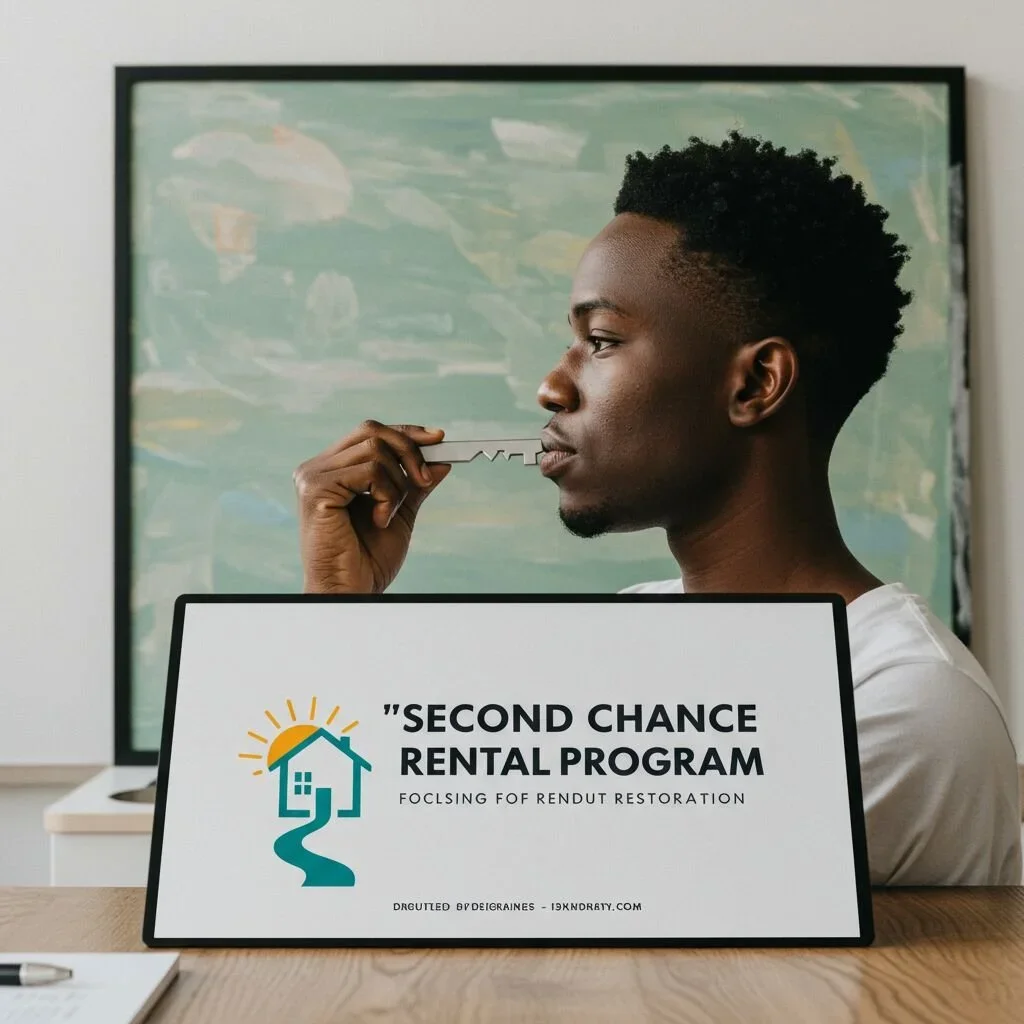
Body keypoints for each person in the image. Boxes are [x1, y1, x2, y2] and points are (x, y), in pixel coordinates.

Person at [293, 131, 1021, 886]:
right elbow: (375, 863)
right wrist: (338, 608)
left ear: (755, 384)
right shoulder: (633, 635)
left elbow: (527, 895)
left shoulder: (901, 707)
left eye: (601, 341)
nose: (551, 387)